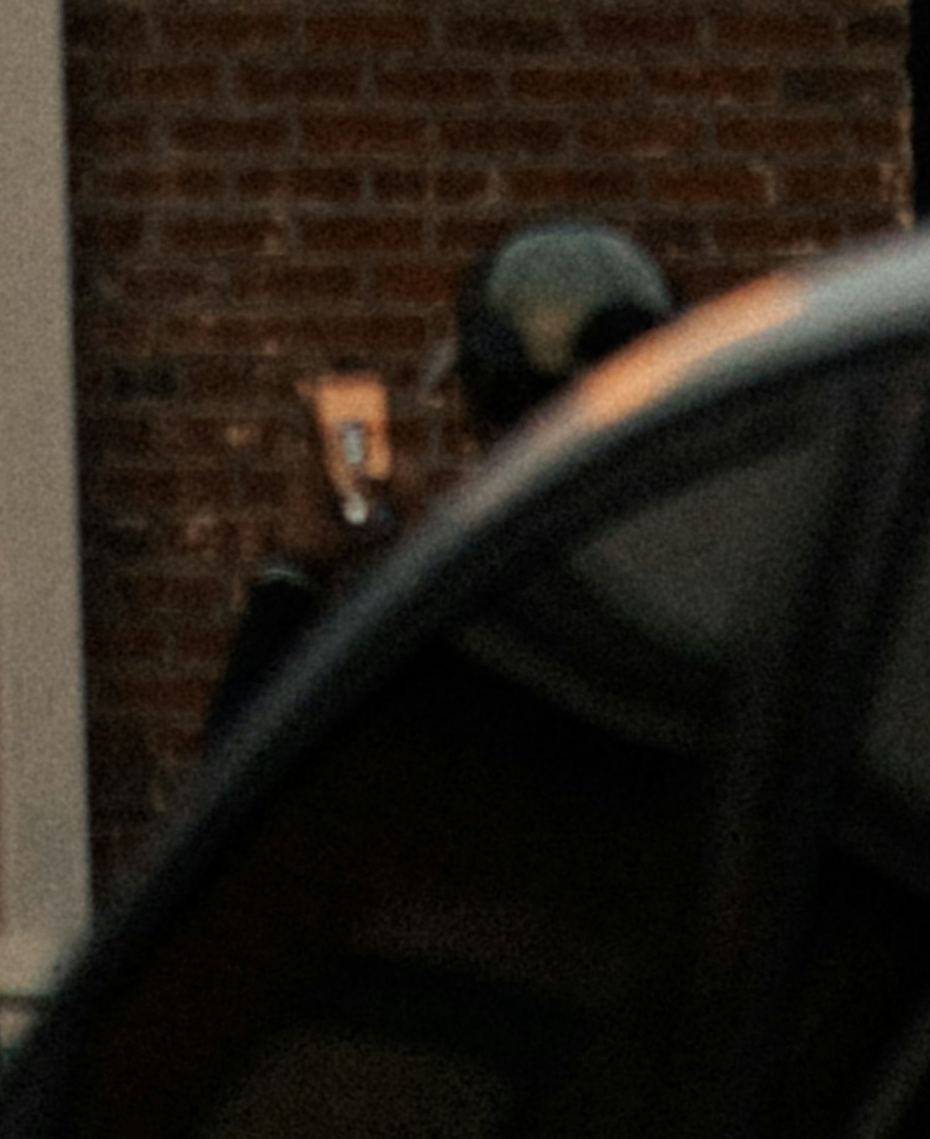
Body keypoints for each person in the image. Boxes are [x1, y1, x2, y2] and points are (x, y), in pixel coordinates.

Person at [191, 216, 677, 767]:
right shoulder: (733, 542)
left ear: (479, 403)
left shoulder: (474, 616)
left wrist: (300, 569)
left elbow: (242, 776)